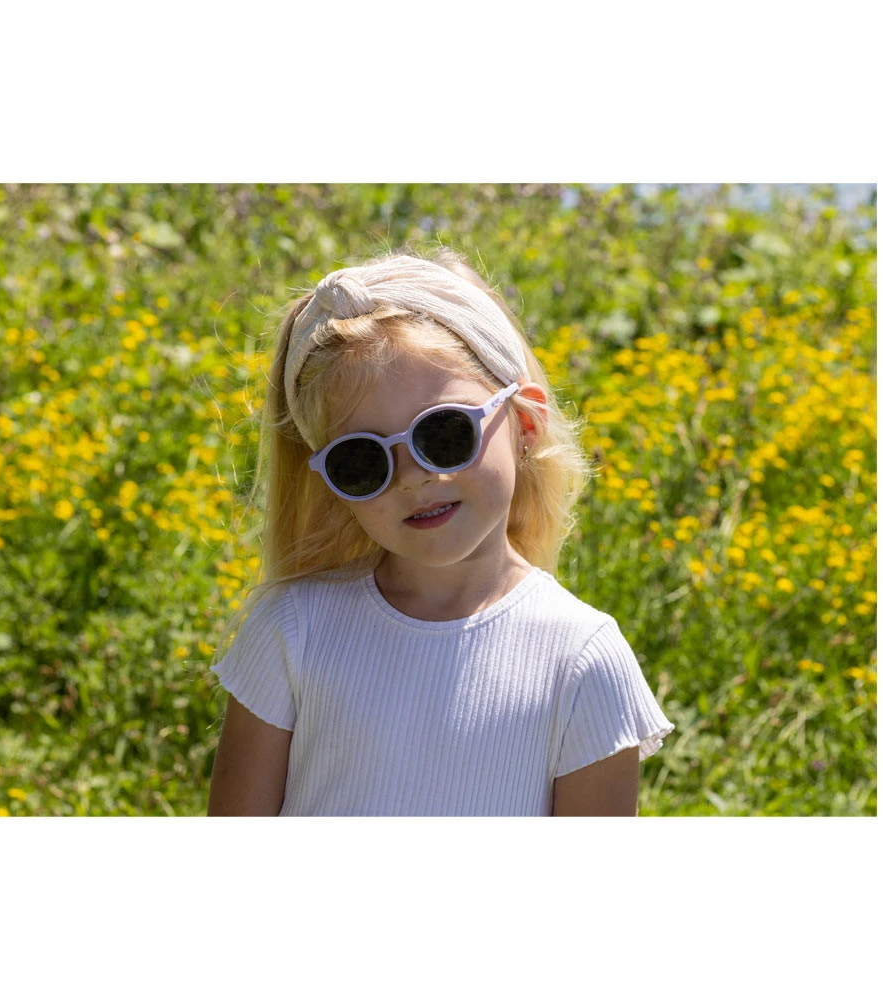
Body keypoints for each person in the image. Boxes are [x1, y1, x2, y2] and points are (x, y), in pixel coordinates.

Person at [207, 247, 673, 816]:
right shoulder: (293, 631)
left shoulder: (581, 658)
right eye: (363, 461)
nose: (413, 478)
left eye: (444, 434)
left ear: (526, 423)